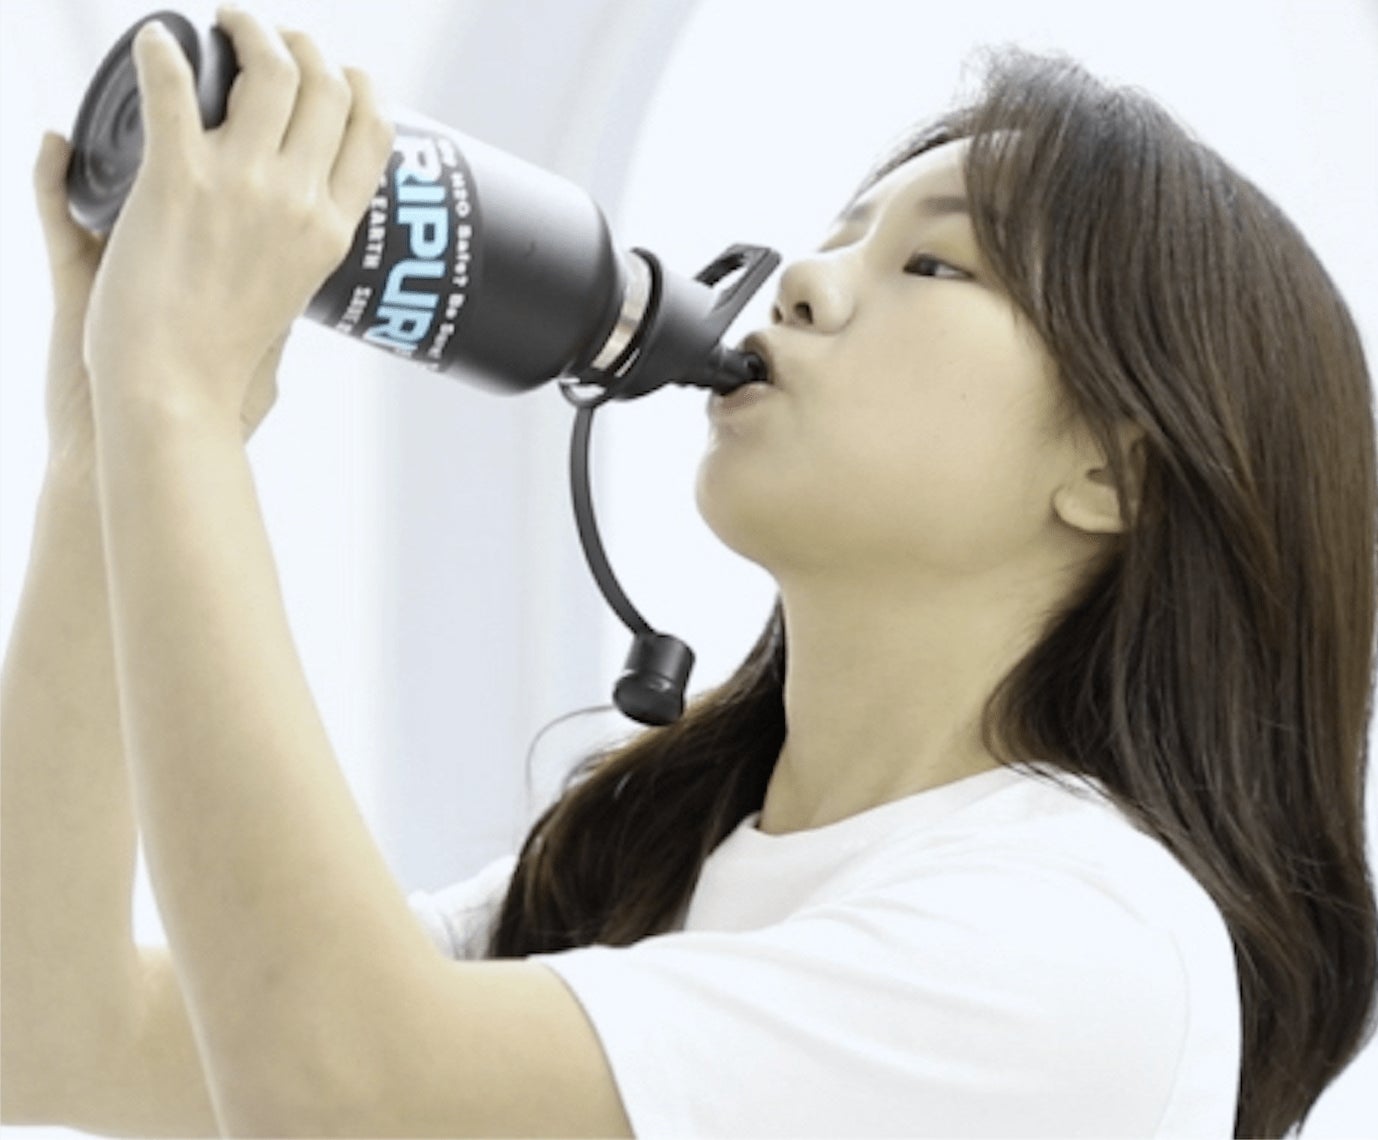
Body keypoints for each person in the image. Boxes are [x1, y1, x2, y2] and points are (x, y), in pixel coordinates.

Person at [1, 6, 1374, 1138]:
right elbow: (53, 1030)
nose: (803, 282)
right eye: (836, 235)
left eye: (932, 263)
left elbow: (343, 1084)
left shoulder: (1088, 941)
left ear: (1115, 474)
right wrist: (99, 449)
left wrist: (178, 406)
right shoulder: (665, 864)